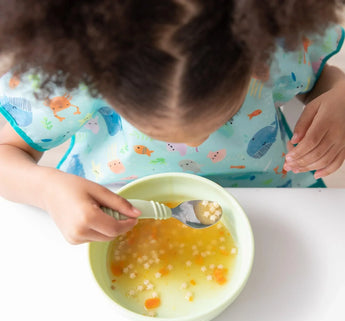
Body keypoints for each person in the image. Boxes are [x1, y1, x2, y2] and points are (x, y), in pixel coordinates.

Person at [0, 0, 345, 244]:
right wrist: (47, 191)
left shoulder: (275, 52)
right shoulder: (72, 82)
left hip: (274, 198)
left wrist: (338, 95)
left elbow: (319, 82)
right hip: (114, 204)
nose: (195, 144)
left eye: (222, 117)